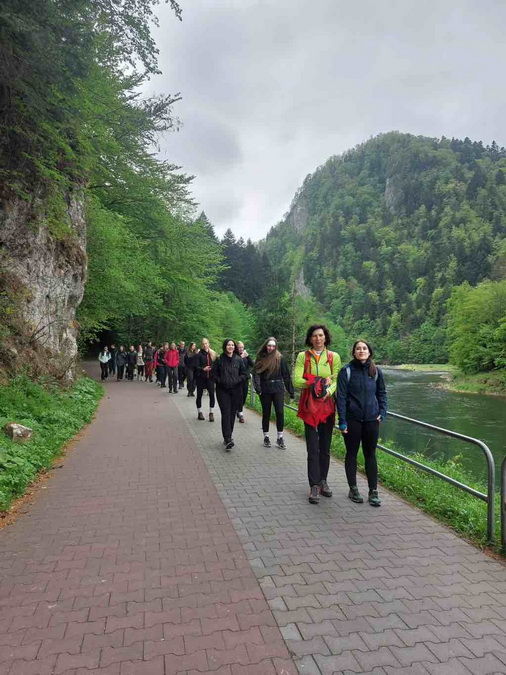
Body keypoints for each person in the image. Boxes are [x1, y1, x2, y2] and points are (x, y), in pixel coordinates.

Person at [336, 339, 387, 507]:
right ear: (354, 352)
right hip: (353, 419)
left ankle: (373, 491)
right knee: (351, 453)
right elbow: (341, 397)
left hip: (372, 420)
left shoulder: (376, 371)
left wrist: (382, 413)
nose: (361, 351)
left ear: (369, 352)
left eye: (364, 348)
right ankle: (353, 489)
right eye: (358, 348)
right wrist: (342, 420)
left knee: (370, 454)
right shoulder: (346, 371)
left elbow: (382, 394)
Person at [294, 324, 341, 504]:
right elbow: (297, 381)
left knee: (325, 447)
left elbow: (337, 380)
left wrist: (328, 391)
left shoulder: (333, 357)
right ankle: (313, 484)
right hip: (310, 407)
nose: (318, 338)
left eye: (321, 335)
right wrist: (317, 381)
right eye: (314, 336)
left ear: (326, 337)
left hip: (327, 407)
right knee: (312, 448)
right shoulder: (303, 356)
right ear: (310, 338)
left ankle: (323, 481)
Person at [253, 338, 294, 448]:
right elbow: (256, 374)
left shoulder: (280, 358)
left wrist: (290, 390)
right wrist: (258, 388)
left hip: (278, 388)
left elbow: (286, 375)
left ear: (275, 347)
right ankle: (266, 436)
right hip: (265, 389)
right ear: (266, 346)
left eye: (273, 346)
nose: (271, 348)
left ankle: (280, 437)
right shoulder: (261, 358)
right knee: (266, 413)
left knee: (280, 412)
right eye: (269, 345)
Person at [213, 339, 248, 450]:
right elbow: (213, 375)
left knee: (232, 414)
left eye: (232, 345)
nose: (231, 347)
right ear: (225, 346)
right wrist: (221, 381)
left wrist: (237, 380)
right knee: (226, 413)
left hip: (236, 391)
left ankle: (228, 436)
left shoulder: (238, 360)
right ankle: (228, 438)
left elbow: (245, 374)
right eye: (229, 345)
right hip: (222, 391)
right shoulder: (219, 360)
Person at [195, 337, 217, 421]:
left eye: (206, 343)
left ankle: (211, 413)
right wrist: (203, 369)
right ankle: (199, 412)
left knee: (212, 395)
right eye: (203, 344)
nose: (204, 345)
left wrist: (213, 370)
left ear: (208, 344)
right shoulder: (198, 355)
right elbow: (195, 366)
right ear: (201, 345)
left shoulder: (212, 354)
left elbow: (216, 365)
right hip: (201, 378)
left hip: (210, 378)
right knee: (199, 395)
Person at [236, 341, 254, 423]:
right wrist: (241, 357)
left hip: (245, 379)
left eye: (242, 347)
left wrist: (248, 356)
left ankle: (238, 409)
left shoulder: (246, 355)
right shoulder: (235, 356)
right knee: (239, 396)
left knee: (244, 396)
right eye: (239, 347)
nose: (241, 349)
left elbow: (253, 365)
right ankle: (241, 414)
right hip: (237, 379)